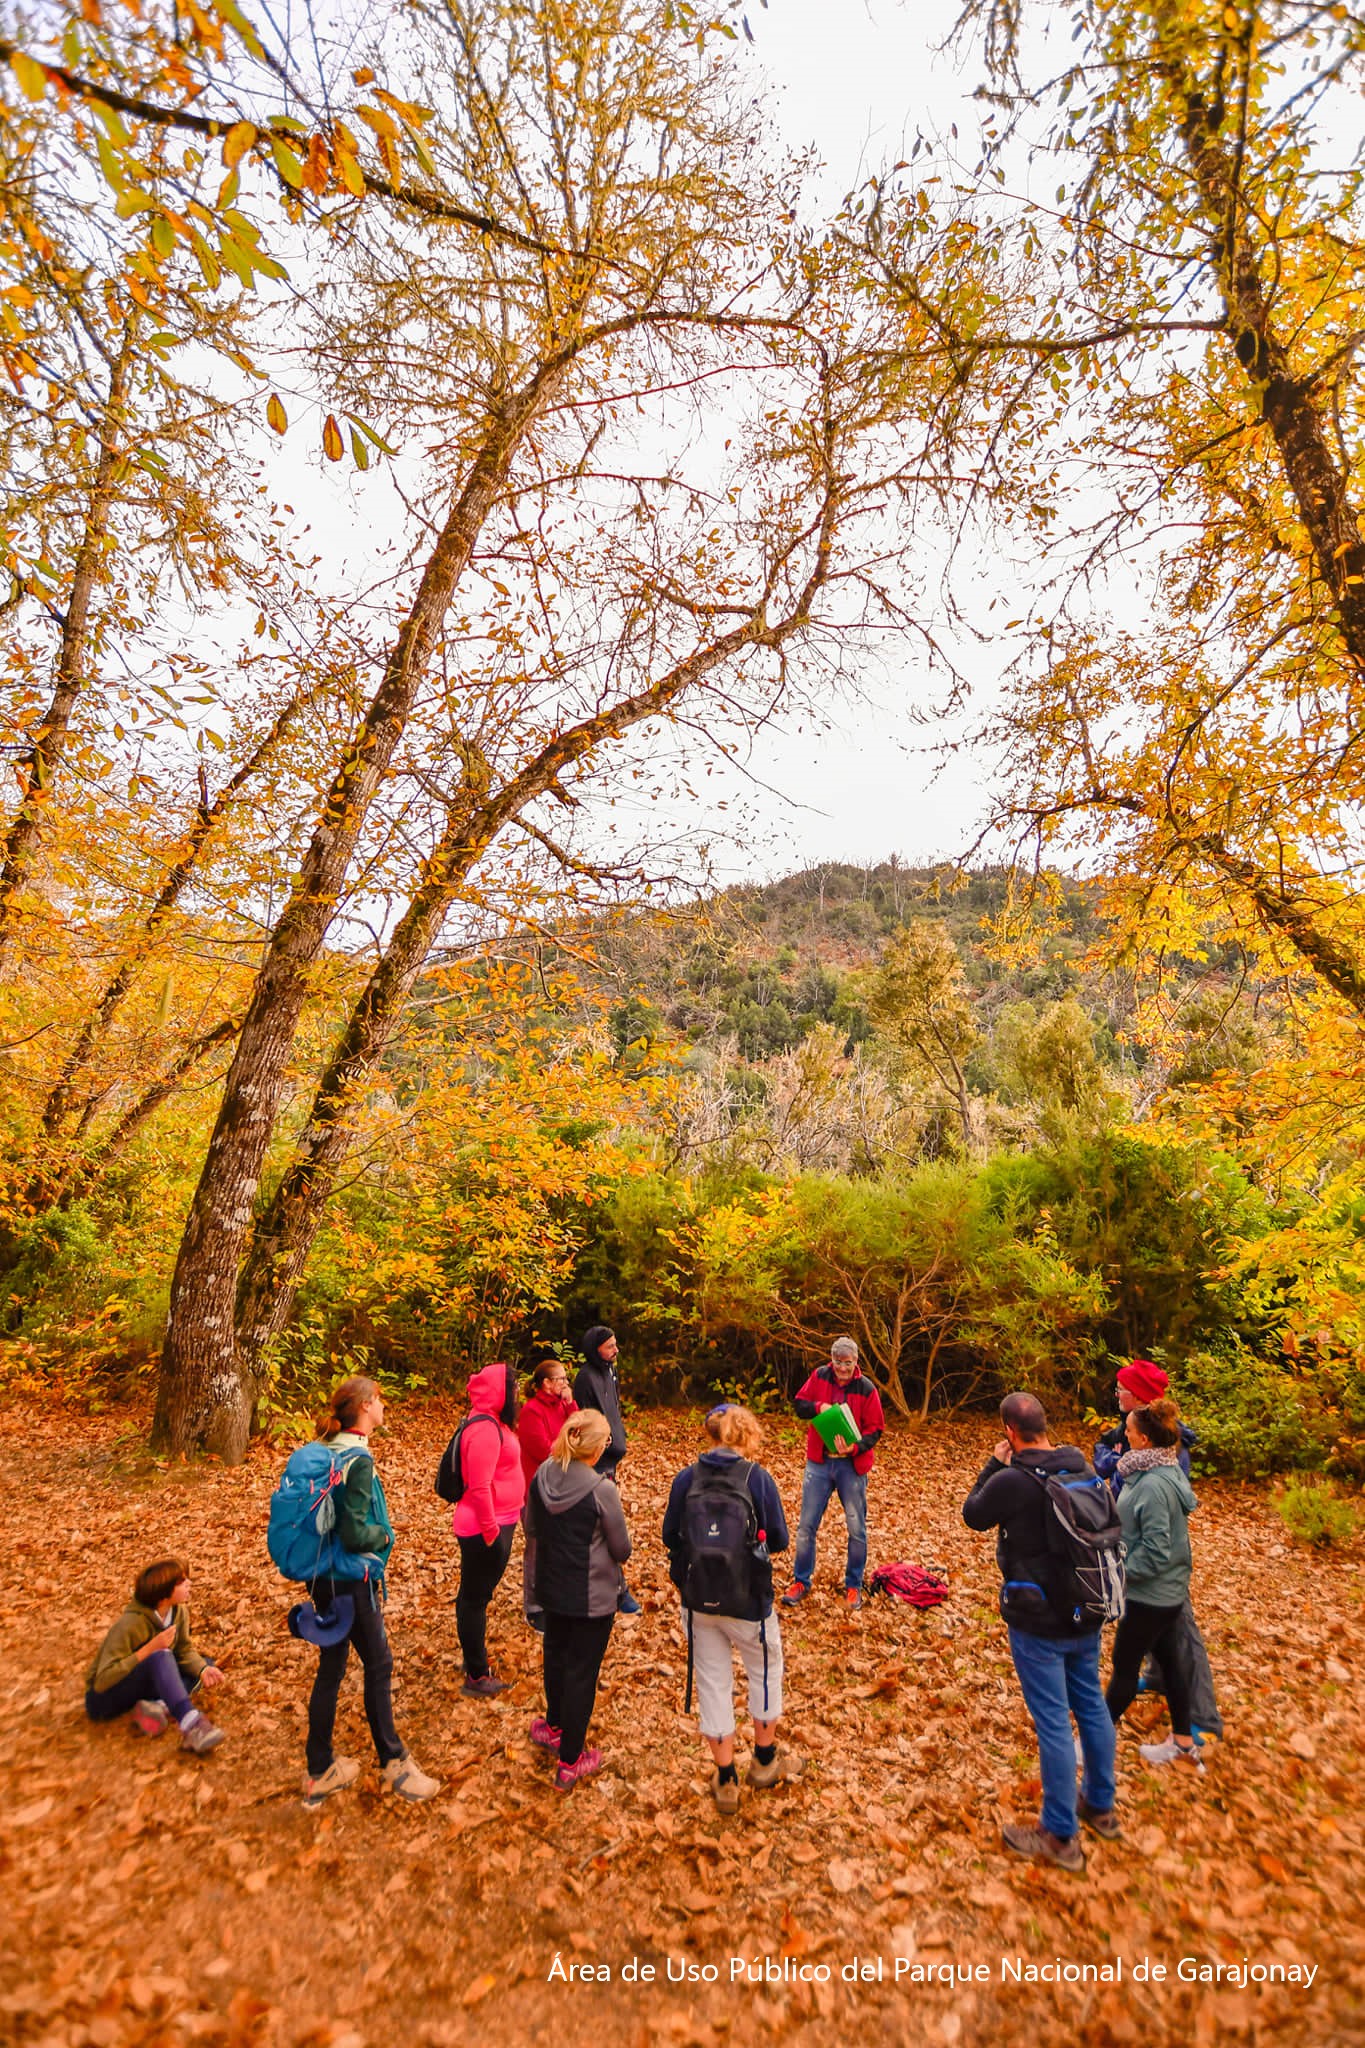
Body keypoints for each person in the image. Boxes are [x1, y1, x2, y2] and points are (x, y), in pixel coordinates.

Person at [962, 1391, 1118, 1872]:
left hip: (1039, 1617)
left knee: (1052, 1720)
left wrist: (993, 1463)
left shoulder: (1013, 1480)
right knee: (1090, 1702)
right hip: (1086, 1609)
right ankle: (1099, 1805)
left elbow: (973, 1514)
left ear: (1010, 1431)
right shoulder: (1082, 1468)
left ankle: (1059, 1835)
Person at [299, 1376, 440, 1808]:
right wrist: (384, 1533)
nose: (384, 1408)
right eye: (379, 1400)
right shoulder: (357, 1459)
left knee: (333, 1663)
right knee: (378, 1664)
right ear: (364, 1406)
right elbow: (356, 1531)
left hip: (322, 1574)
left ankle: (320, 1768)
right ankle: (394, 1763)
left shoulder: (327, 1449)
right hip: (349, 1579)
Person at [663, 1403, 797, 1814]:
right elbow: (778, 1540)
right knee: (764, 1670)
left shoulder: (687, 1478)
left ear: (711, 1433)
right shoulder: (758, 1479)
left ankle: (725, 1780)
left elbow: (671, 1535)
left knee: (713, 1681)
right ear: (746, 1435)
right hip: (749, 1599)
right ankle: (764, 1759)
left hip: (699, 1597)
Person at [1094, 1358, 1222, 1741]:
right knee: (1163, 1637)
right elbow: (1103, 1458)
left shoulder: (1166, 1452)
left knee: (1181, 1631)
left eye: (1123, 1389)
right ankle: (1157, 1678)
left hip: (1157, 1566)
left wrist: (1122, 1568)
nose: (1117, 1394)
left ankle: (1204, 1720)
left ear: (1141, 1399)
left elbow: (1160, 1521)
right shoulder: (1128, 1432)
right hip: (1139, 1551)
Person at [527, 1409, 631, 1790]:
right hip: (591, 1597)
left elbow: (532, 1527)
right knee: (581, 1673)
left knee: (555, 1658)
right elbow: (622, 1548)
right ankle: (571, 1759)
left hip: (551, 1587)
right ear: (596, 1447)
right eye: (606, 1440)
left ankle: (554, 1727)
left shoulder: (542, 1474)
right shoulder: (601, 1489)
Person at [1106, 1397, 1205, 1773]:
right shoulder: (1160, 1469)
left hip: (1150, 1596)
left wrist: (1118, 1570)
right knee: (1171, 1664)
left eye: (1129, 1430)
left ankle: (1090, 1743)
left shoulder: (1152, 1486)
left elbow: (1157, 1551)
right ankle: (1182, 1745)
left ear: (1144, 1440)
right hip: (1167, 1592)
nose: (1124, 1434)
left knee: (1124, 1670)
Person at [783, 1336, 884, 1610]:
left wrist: (855, 1447)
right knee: (806, 1526)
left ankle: (854, 1586)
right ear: (832, 1360)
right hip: (819, 1462)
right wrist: (819, 1407)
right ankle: (801, 1581)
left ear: (856, 1362)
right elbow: (799, 1404)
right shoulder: (819, 1376)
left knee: (856, 1528)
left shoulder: (866, 1388)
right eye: (838, 1362)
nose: (842, 1368)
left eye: (847, 1363)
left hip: (851, 1465)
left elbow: (876, 1429)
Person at [86, 1558, 226, 1754]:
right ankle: (191, 1724)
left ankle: (157, 1706)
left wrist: (202, 1669)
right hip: (104, 1699)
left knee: (203, 1665)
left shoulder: (178, 1612)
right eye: (181, 1581)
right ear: (163, 1595)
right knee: (161, 1656)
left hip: (144, 1684)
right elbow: (102, 1681)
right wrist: (149, 1649)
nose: (189, 1584)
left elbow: (184, 1650)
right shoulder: (129, 1624)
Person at [451, 1359, 526, 1696]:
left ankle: (474, 1659)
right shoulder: (483, 1428)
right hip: (485, 1527)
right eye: (512, 1387)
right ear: (500, 1391)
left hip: (500, 1521)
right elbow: (479, 1487)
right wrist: (492, 1534)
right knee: (474, 1599)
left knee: (477, 1596)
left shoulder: (494, 1421)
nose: (517, 1393)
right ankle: (477, 1675)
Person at [574, 1325, 641, 1614]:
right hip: (594, 1462)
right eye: (609, 1346)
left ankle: (613, 1587)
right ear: (595, 1349)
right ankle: (617, 1589)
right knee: (602, 1527)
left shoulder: (610, 1371)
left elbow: (613, 1406)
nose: (616, 1350)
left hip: (611, 1458)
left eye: (616, 1344)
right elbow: (585, 1419)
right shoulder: (585, 1377)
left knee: (607, 1523)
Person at [516, 1356, 578, 1635]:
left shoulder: (561, 1406)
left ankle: (555, 1596)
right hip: (535, 1489)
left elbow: (579, 1429)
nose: (565, 1383)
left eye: (566, 1379)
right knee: (537, 1547)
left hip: (562, 1485)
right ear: (546, 1383)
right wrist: (570, 1445)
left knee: (558, 1544)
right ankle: (534, 1607)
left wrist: (570, 1402)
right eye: (561, 1379)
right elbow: (543, 1450)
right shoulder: (531, 1411)